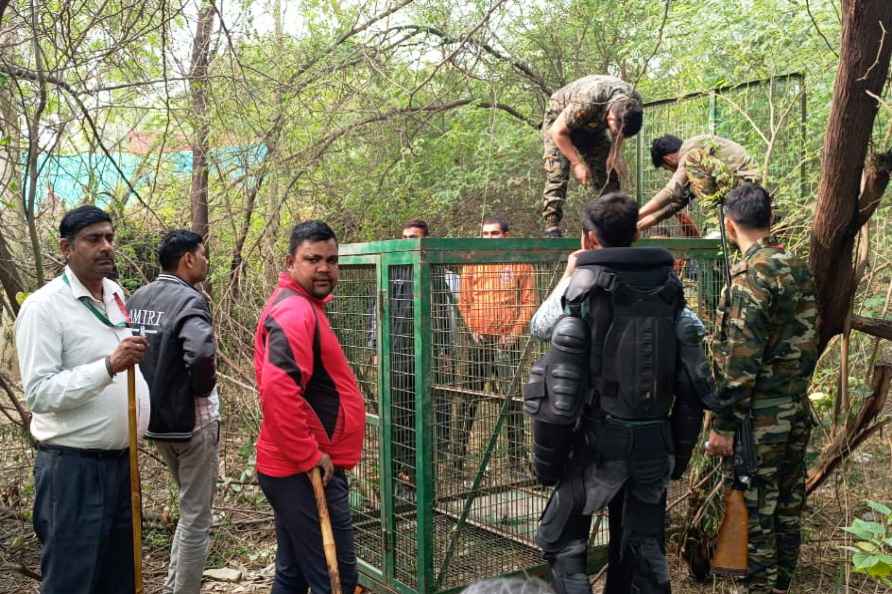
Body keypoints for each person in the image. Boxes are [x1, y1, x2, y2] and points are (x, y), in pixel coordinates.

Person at [526, 193, 713, 594]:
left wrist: (569, 272)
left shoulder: (583, 285)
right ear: (635, 233)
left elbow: (541, 326)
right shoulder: (668, 285)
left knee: (565, 544)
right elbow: (693, 335)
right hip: (654, 440)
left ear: (590, 239)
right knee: (644, 550)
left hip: (596, 442)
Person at [15, 205, 151, 594]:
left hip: (123, 466)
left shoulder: (115, 294)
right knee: (73, 580)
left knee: (119, 577)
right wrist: (108, 366)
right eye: (93, 239)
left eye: (109, 237)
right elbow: (39, 394)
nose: (106, 246)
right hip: (72, 471)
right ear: (66, 247)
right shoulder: (43, 307)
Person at [705, 183, 818, 594]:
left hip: (761, 418)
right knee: (787, 507)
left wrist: (723, 425)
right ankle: (781, 584)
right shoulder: (796, 267)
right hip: (795, 407)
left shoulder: (750, 276)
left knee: (756, 513)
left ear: (730, 226)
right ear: (769, 221)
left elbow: (740, 363)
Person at [254, 220, 366, 594]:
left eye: (331, 260)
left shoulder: (305, 305)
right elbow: (277, 387)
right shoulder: (296, 312)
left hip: (293, 467)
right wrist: (308, 455)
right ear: (291, 261)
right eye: (313, 259)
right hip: (302, 471)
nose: (324, 268)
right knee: (335, 581)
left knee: (294, 574)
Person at [126, 230, 218, 594]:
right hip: (192, 423)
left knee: (188, 507)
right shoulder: (190, 301)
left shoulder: (136, 298)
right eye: (203, 254)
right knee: (197, 518)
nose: (206, 261)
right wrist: (201, 391)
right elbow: (200, 354)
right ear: (188, 260)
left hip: (155, 422)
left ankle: (171, 586)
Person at [455, 216, 536, 476]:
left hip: (506, 343)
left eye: (495, 233)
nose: (489, 238)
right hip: (478, 341)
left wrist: (514, 333)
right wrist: (471, 329)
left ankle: (516, 462)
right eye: (485, 234)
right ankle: (456, 461)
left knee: (511, 403)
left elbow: (529, 302)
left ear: (506, 235)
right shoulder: (472, 262)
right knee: (468, 400)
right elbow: (463, 302)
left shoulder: (520, 263)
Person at [541, 75, 644, 237]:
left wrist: (614, 154)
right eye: (614, 130)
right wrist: (577, 163)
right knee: (557, 172)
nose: (617, 134)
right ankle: (551, 225)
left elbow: (622, 129)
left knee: (610, 174)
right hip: (559, 121)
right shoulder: (589, 99)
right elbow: (558, 132)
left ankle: (612, 225)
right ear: (610, 117)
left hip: (592, 127)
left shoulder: (633, 102)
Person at [638, 134, 760, 232]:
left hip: (745, 188)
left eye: (666, 168)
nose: (670, 172)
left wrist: (637, 214)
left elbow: (671, 191)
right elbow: (681, 197)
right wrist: (654, 218)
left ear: (668, 159)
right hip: (746, 191)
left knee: (692, 159)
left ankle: (718, 226)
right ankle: (720, 224)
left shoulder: (690, 153)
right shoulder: (699, 168)